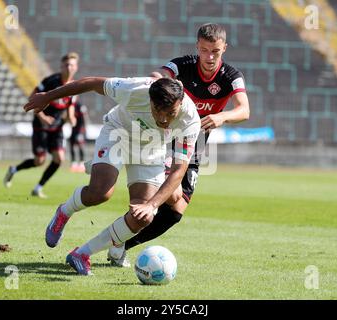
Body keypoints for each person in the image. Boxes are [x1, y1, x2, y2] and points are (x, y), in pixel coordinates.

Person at [23, 76, 200, 275]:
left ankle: (82, 254)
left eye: (170, 113)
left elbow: (178, 170)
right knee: (101, 193)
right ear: (150, 100)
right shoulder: (135, 89)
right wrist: (49, 96)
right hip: (119, 132)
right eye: (158, 111)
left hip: (151, 149)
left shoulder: (190, 120)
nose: (164, 119)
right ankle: (64, 212)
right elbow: (91, 83)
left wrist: (152, 205)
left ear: (181, 102)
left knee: (142, 217)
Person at [107, 23, 250, 266]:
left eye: (215, 51)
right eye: (205, 50)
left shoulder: (231, 77)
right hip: (165, 135)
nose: (209, 56)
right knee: (164, 193)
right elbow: (161, 75)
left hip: (197, 141)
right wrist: (156, 78)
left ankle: (122, 243)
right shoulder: (182, 65)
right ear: (198, 47)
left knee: (176, 211)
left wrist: (222, 116)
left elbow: (244, 110)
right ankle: (116, 236)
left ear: (224, 48)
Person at [3, 52, 79, 198]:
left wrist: (71, 118)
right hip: (41, 126)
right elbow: (33, 98)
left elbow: (70, 104)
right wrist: (42, 117)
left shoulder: (74, 87)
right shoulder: (51, 81)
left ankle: (38, 188)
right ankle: (14, 169)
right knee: (40, 161)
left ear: (76, 67)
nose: (69, 68)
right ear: (61, 66)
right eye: (66, 65)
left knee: (59, 159)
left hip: (57, 127)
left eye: (72, 65)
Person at [69, 101, 88, 172]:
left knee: (80, 145)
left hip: (81, 129)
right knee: (72, 144)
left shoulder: (80, 105)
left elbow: (84, 117)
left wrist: (83, 129)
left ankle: (82, 162)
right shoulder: (70, 106)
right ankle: (73, 162)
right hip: (74, 129)